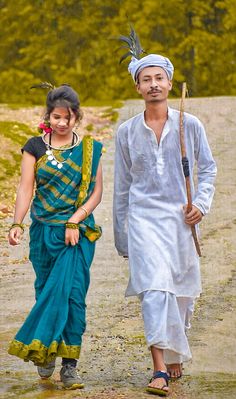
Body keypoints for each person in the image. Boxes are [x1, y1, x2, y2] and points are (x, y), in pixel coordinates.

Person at [113, 54, 217, 396]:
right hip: (143, 221)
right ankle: (159, 368)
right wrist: (122, 236)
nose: (153, 84)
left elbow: (208, 170)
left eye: (159, 77)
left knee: (182, 293)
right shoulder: (127, 131)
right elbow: (122, 186)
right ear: (137, 87)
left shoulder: (191, 125)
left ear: (170, 83)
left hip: (179, 221)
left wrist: (199, 206)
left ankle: (174, 352)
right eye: (146, 79)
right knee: (154, 291)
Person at [8, 84, 103, 390]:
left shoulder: (90, 149)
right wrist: (17, 223)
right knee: (47, 291)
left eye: (69, 117)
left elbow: (97, 193)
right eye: (57, 117)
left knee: (73, 296)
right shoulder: (34, 146)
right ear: (48, 116)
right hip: (43, 234)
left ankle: (70, 366)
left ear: (78, 117)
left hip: (76, 235)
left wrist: (75, 220)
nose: (63, 123)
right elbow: (26, 188)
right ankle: (45, 346)